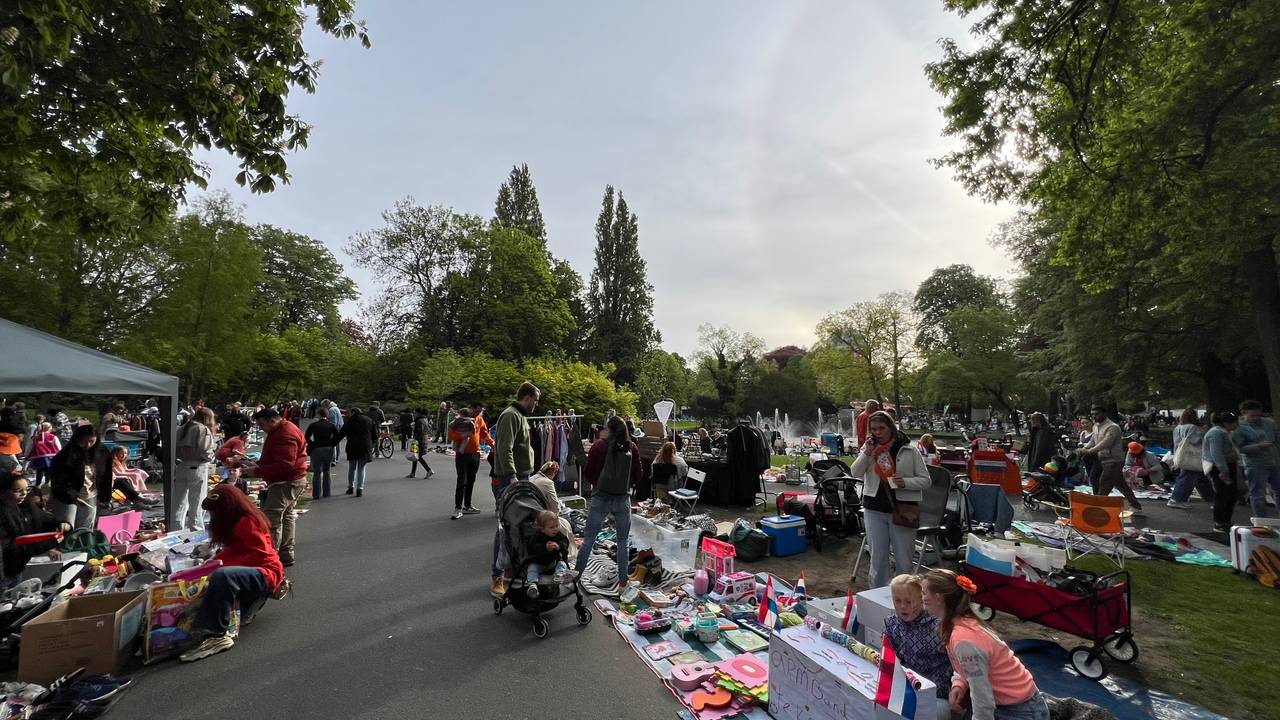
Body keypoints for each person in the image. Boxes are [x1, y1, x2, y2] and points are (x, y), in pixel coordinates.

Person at [922, 570, 1049, 720]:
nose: (921, 598)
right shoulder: (958, 623)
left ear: (938, 598)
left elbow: (982, 696)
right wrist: (959, 683)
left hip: (1021, 710)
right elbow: (967, 668)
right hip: (1011, 704)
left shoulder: (964, 639)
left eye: (924, 593)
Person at [178, 485, 285, 662]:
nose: (212, 517)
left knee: (223, 576)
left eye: (214, 512)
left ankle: (216, 635)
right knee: (216, 574)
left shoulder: (247, 521)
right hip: (255, 572)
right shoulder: (238, 521)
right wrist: (212, 563)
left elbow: (258, 554)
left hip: (265, 573)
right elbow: (234, 551)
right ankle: (244, 608)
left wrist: (220, 566)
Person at [850, 411, 931, 589]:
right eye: (874, 429)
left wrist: (906, 483)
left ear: (891, 428)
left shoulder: (909, 450)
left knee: (903, 559)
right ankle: (877, 596)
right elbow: (854, 472)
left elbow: (926, 481)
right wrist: (867, 453)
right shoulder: (869, 450)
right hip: (874, 509)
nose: (878, 432)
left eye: (881, 428)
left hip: (902, 509)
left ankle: (904, 597)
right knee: (878, 558)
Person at [575, 415, 642, 592]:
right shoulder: (631, 447)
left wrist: (598, 483)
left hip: (601, 497)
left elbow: (589, 472)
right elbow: (638, 474)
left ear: (609, 429)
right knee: (622, 541)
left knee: (588, 539)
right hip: (622, 499)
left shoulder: (599, 445)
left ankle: (576, 577)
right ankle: (622, 583)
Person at [490, 383, 539, 597]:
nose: (536, 405)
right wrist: (511, 477)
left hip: (522, 477)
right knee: (505, 528)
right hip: (512, 479)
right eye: (535, 401)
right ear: (527, 398)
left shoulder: (519, 416)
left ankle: (514, 572)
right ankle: (497, 576)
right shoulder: (510, 415)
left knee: (521, 527)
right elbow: (504, 447)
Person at [244, 408, 308, 566]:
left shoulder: (285, 434)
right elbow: (279, 459)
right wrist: (258, 464)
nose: (261, 429)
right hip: (290, 480)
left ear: (272, 420)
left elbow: (285, 465)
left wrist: (256, 470)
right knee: (286, 517)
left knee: (271, 520)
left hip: (285, 482)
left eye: (262, 425)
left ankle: (269, 558)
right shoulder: (280, 430)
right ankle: (285, 554)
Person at [883, 575, 953, 720]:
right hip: (905, 690)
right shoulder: (891, 624)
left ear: (922, 600)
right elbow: (889, 660)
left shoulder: (939, 626)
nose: (902, 606)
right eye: (897, 600)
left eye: (908, 601)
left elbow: (958, 664)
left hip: (937, 694)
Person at [0, 474, 70, 582]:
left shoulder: (27, 506)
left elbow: (45, 521)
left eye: (26, 490)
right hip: (6, 570)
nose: (24, 494)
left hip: (19, 566)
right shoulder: (4, 514)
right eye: (17, 490)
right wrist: (48, 545)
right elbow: (14, 547)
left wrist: (63, 524)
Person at [48, 424, 111, 530]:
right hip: (68, 496)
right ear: (77, 439)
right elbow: (59, 481)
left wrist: (105, 496)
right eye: (84, 441)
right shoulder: (65, 455)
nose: (87, 445)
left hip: (90, 494)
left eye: (91, 441)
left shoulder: (102, 452)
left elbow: (107, 474)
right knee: (66, 527)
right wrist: (72, 497)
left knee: (85, 528)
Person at [1078, 405, 1141, 511]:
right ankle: (1135, 505)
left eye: (1097, 414)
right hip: (1103, 459)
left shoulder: (1112, 427)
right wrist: (1085, 448)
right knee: (1121, 484)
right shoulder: (1096, 426)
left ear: (1104, 414)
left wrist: (1089, 451)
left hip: (1114, 460)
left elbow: (1105, 443)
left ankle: (1097, 508)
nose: (1094, 417)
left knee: (1104, 484)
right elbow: (1093, 440)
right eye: (1092, 414)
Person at [172, 408, 217, 532]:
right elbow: (205, 451)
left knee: (179, 502)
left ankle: (175, 530)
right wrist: (213, 456)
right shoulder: (202, 429)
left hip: (182, 465)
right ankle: (195, 531)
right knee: (197, 502)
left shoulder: (181, 428)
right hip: (198, 466)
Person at [1233, 400, 1279, 518]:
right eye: (1252, 416)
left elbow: (1277, 439)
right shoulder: (1239, 428)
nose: (1256, 418)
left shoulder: (1269, 423)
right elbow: (1240, 448)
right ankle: (1261, 520)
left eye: (1258, 415)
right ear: (1243, 413)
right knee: (1258, 493)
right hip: (1255, 464)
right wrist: (1259, 446)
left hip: (1275, 461)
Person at [448, 404, 493, 519]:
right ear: (471, 408)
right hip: (462, 455)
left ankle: (467, 506)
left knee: (471, 481)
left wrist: (493, 444)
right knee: (461, 481)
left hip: (476, 454)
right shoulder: (459, 420)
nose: (478, 414)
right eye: (477, 411)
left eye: (480, 412)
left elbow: (485, 434)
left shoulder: (479, 420)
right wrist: (463, 435)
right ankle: (458, 508)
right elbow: (451, 435)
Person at [1168, 408, 1214, 509]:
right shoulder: (1193, 427)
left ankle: (1211, 497)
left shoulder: (1178, 428)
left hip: (1181, 455)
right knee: (1188, 476)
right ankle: (1177, 499)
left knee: (1198, 476)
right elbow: (1196, 440)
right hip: (1193, 456)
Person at [1204, 411, 1241, 532]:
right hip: (1221, 467)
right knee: (1223, 494)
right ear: (1227, 423)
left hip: (1227, 465)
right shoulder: (1216, 433)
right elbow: (1216, 453)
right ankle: (1220, 522)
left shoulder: (1224, 432)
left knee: (1230, 495)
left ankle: (1226, 521)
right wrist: (1223, 470)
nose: (1237, 424)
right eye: (1235, 422)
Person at [524, 510, 573, 598]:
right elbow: (532, 547)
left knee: (562, 564)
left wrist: (559, 546)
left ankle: (558, 575)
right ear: (542, 529)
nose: (555, 529)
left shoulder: (558, 535)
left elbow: (565, 542)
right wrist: (544, 548)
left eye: (556, 526)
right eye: (551, 527)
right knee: (532, 568)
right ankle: (532, 584)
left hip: (553, 562)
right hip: (539, 563)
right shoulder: (537, 536)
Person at [337, 406, 377, 497]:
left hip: (352, 446)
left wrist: (332, 443)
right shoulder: (369, 420)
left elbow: (341, 433)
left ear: (353, 412)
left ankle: (351, 487)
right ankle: (360, 489)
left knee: (352, 467)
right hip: (364, 447)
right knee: (361, 468)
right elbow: (375, 435)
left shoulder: (350, 421)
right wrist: (372, 445)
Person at [304, 413, 339, 499]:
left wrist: (312, 444)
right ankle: (327, 492)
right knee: (327, 470)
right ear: (327, 415)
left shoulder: (313, 425)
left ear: (319, 415)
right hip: (328, 448)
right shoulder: (331, 425)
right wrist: (332, 443)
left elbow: (306, 436)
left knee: (317, 471)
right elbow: (338, 435)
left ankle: (316, 494)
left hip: (317, 449)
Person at [27, 421, 61, 488]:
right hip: (51, 458)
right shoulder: (53, 437)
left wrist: (28, 455)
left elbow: (31, 447)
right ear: (49, 428)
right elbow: (59, 447)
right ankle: (47, 484)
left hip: (39, 458)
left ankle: (37, 485)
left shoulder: (36, 438)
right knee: (48, 472)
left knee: (39, 472)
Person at [406, 408, 434, 479]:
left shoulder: (419, 420)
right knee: (415, 455)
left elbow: (420, 430)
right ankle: (412, 473)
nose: (414, 414)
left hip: (419, 439)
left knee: (418, 456)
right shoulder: (424, 419)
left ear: (419, 413)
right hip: (423, 438)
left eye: (415, 412)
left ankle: (429, 470)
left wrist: (414, 438)